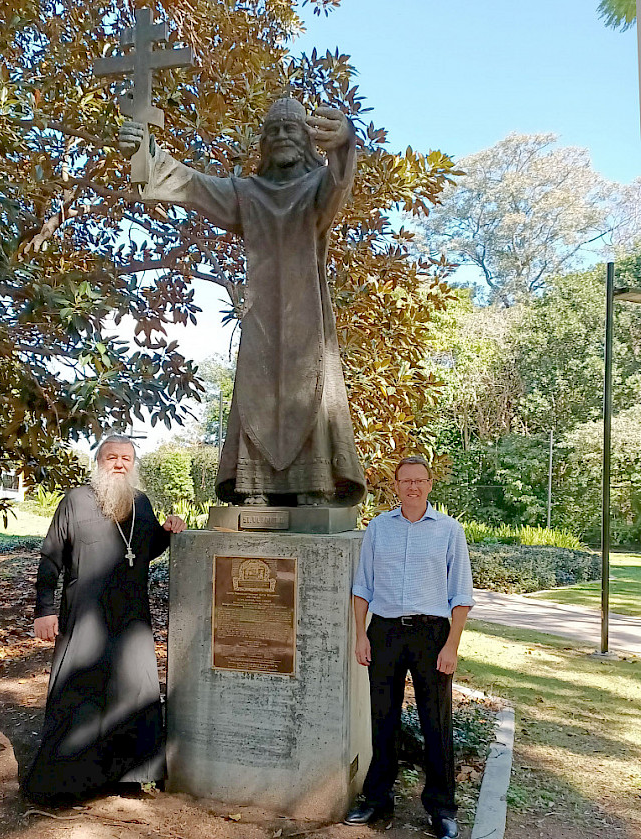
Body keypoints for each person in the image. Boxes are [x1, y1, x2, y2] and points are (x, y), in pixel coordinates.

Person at [118, 97, 366, 508]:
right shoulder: (246, 194)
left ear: (307, 139)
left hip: (308, 319)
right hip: (262, 323)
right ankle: (255, 486)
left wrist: (343, 143)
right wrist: (146, 152)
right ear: (264, 144)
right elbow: (193, 184)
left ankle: (314, 483)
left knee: (313, 385)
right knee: (258, 388)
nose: (282, 137)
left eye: (291, 129)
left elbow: (339, 184)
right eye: (274, 131)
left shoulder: (316, 187)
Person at [19, 435, 186, 806]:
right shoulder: (75, 501)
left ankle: (130, 775)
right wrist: (44, 609)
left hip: (130, 619)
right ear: (99, 461)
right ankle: (69, 782)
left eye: (127, 458)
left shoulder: (140, 502)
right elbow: (50, 559)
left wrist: (168, 530)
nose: (120, 463)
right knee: (81, 693)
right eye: (113, 457)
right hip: (85, 618)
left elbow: (143, 549)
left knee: (132, 692)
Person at [345, 456, 474, 839]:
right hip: (384, 632)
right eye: (405, 481)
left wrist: (451, 646)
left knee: (436, 722)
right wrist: (360, 634)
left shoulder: (450, 531)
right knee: (381, 719)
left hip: (432, 634)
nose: (413, 487)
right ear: (396, 485)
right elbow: (362, 587)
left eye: (419, 481)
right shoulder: (378, 529)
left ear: (429, 485)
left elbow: (461, 596)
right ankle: (377, 799)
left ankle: (441, 808)